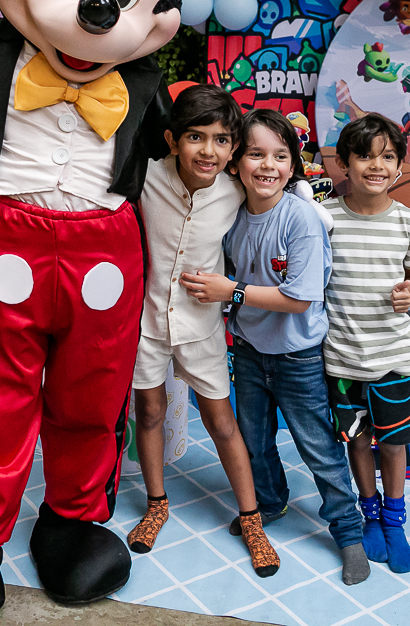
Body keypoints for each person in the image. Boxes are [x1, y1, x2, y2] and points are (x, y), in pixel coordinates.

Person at [179, 109, 370, 586]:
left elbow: (299, 298)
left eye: (281, 156)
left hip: (297, 357)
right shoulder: (233, 215)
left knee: (318, 447)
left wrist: (231, 291)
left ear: (293, 163)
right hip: (248, 351)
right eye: (256, 154)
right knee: (254, 441)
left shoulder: (300, 218)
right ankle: (269, 501)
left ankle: (349, 532)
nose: (268, 165)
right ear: (236, 162)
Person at [126, 85, 279, 577]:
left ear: (233, 149)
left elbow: (282, 200)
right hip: (147, 322)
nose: (208, 150)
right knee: (150, 412)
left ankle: (251, 519)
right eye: (196, 137)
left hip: (202, 326)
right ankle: (156, 503)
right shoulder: (146, 177)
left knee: (221, 422)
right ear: (173, 140)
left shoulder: (236, 191)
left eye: (221, 140)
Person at [321, 113, 410, 574]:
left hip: (393, 358)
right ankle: (368, 514)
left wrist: (409, 290)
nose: (377, 166)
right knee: (358, 439)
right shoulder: (325, 219)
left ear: (400, 164)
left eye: (387, 157)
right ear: (343, 163)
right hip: (342, 359)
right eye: (365, 156)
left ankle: (394, 521)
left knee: (393, 444)